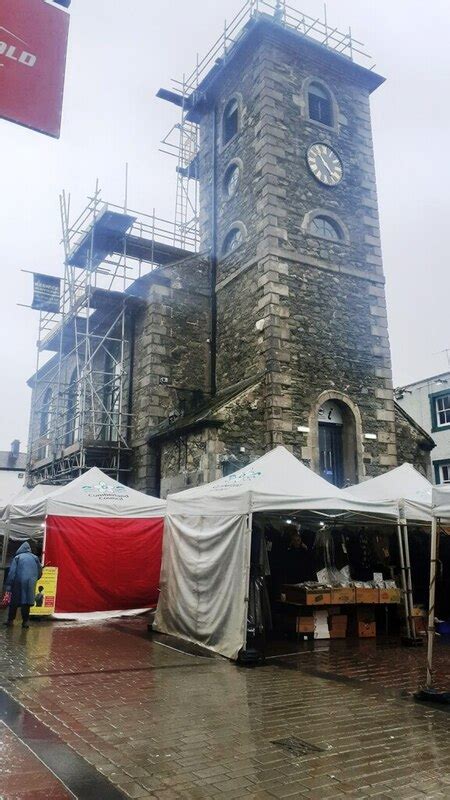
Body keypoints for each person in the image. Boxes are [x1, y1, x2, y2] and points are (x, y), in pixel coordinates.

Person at [4, 542, 42, 629]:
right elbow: (40, 571)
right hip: (30, 582)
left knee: (14, 602)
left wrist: (9, 585)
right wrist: (35, 579)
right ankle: (25, 622)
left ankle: (10, 621)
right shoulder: (35, 557)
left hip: (18, 582)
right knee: (27, 602)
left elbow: (12, 572)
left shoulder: (18, 557)